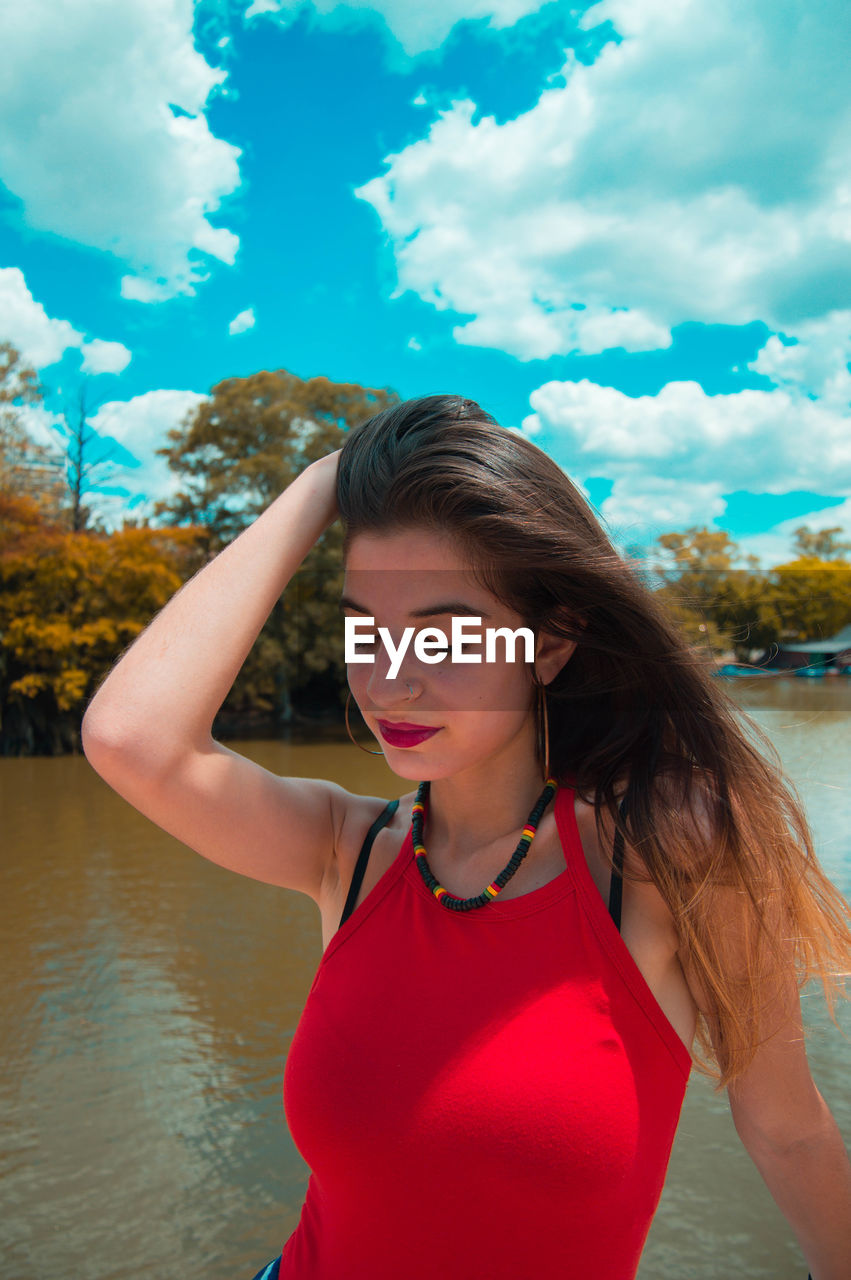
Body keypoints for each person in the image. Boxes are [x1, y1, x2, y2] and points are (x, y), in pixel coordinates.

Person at [82, 394, 851, 1280]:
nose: (389, 682)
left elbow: (786, 1129)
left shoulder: (662, 850)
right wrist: (326, 480)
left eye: (441, 634)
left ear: (552, 644)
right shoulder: (351, 852)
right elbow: (130, 740)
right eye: (364, 630)